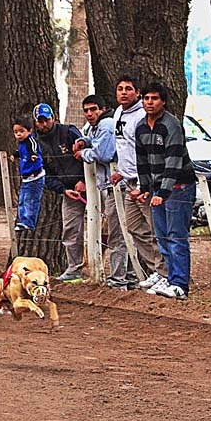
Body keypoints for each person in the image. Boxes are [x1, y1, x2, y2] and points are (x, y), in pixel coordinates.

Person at [134, 82, 196, 300]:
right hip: (158, 189)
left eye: (154, 99)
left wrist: (162, 192)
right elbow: (142, 162)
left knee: (176, 236)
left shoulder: (171, 125)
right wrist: (145, 188)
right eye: (146, 98)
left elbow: (173, 162)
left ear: (163, 101)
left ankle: (180, 284)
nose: (150, 103)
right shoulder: (141, 127)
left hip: (179, 187)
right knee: (161, 236)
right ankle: (169, 279)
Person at [108, 74, 168, 293]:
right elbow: (123, 148)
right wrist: (121, 173)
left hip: (145, 183)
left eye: (129, 89)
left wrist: (146, 185)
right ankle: (155, 270)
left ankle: (166, 274)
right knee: (134, 228)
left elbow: (146, 152)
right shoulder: (117, 113)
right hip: (128, 182)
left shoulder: (143, 116)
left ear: (137, 93)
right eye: (120, 89)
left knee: (155, 229)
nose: (124, 92)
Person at [72, 94, 137, 290]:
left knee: (118, 234)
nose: (90, 114)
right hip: (110, 186)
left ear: (102, 109)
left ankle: (119, 280)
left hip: (115, 186)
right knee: (124, 232)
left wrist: (83, 153)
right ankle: (130, 276)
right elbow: (95, 141)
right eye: (86, 110)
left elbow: (104, 153)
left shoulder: (107, 125)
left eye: (94, 109)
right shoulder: (98, 126)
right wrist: (85, 141)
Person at [33, 102, 85, 281]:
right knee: (71, 229)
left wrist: (84, 180)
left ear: (53, 118)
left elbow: (86, 153)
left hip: (91, 186)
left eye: (46, 120)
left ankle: (119, 269)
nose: (44, 124)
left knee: (108, 227)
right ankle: (74, 268)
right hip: (69, 191)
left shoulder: (69, 132)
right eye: (40, 121)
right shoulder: (36, 144)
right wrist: (63, 190)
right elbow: (43, 174)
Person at [10, 115, 45, 231]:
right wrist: (14, 156)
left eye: (21, 131)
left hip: (35, 176)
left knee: (31, 200)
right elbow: (20, 151)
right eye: (16, 132)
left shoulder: (31, 141)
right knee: (22, 199)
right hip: (26, 177)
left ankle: (29, 222)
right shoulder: (21, 144)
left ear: (29, 131)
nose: (18, 134)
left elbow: (33, 148)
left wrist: (34, 155)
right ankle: (22, 220)